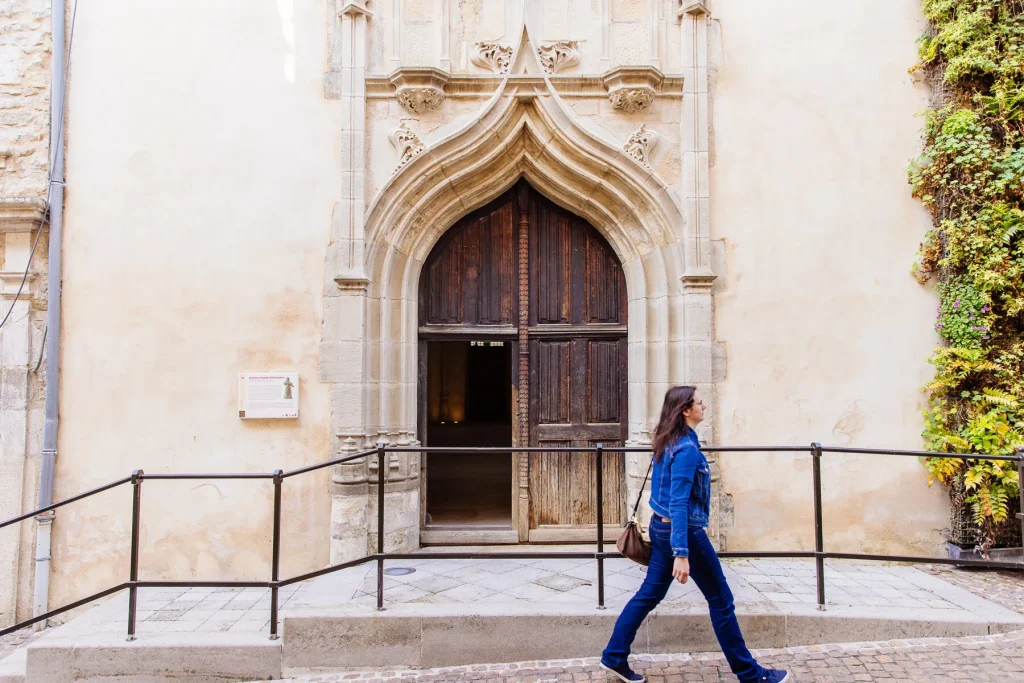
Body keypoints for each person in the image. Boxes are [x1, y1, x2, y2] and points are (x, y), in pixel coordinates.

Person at [600, 386, 790, 683]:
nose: (705, 407)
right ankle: (750, 674)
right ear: (686, 410)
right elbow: (678, 502)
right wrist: (682, 553)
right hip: (682, 531)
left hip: (660, 527)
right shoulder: (686, 450)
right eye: (700, 403)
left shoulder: (670, 440)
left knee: (648, 595)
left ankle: (614, 656)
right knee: (722, 600)